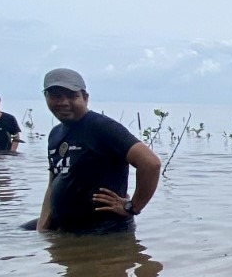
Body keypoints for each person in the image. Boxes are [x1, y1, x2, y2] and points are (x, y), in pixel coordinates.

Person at [31, 68, 161, 233]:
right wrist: (42, 228)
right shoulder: (55, 134)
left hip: (104, 234)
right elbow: (53, 182)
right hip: (66, 232)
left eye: (72, 96)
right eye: (56, 95)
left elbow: (150, 163)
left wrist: (132, 207)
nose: (63, 102)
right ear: (46, 98)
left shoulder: (101, 127)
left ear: (85, 98)